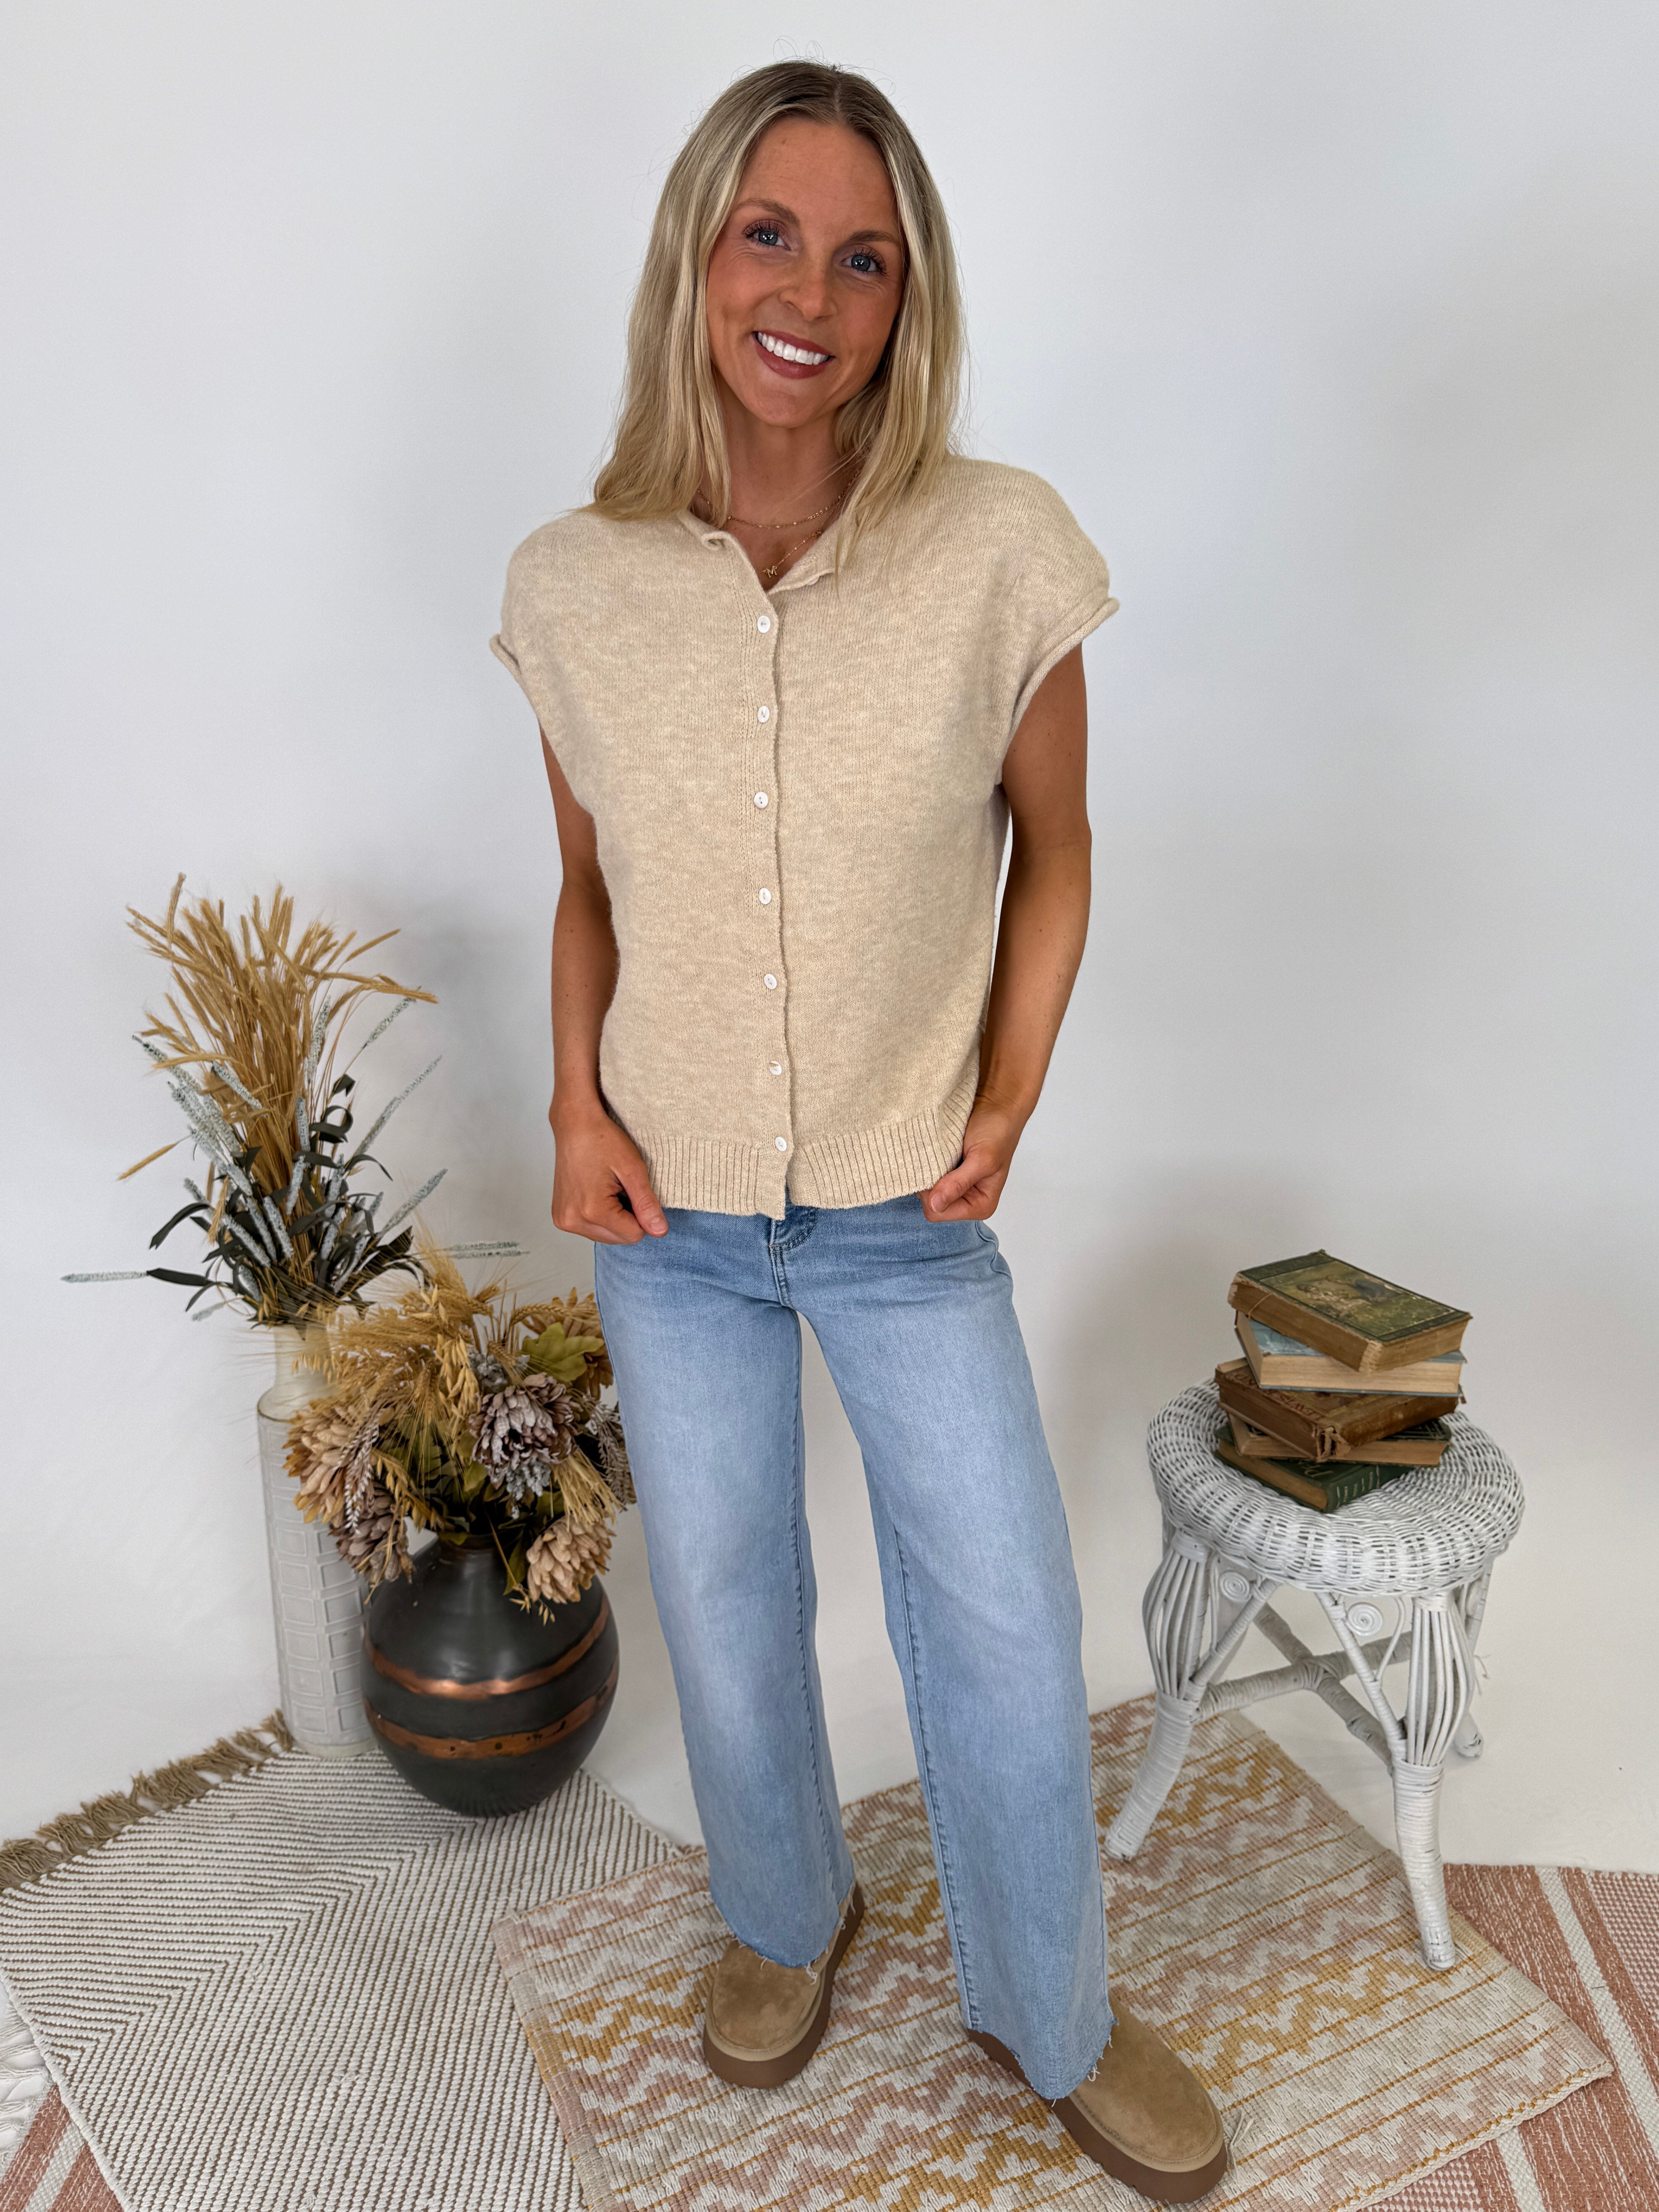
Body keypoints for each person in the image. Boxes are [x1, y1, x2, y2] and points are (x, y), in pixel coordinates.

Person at [491, 59, 1226, 2205]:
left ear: (910, 300)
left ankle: (1052, 2010)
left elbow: (1057, 844)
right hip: (667, 1212)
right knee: (724, 1594)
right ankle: (783, 1909)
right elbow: (587, 886)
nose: (807, 296)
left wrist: (1007, 1092)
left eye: (863, 258)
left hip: (907, 1201)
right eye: (769, 236)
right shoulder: (572, 581)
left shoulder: (997, 550)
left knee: (999, 1609)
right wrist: (572, 1104)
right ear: (696, 256)